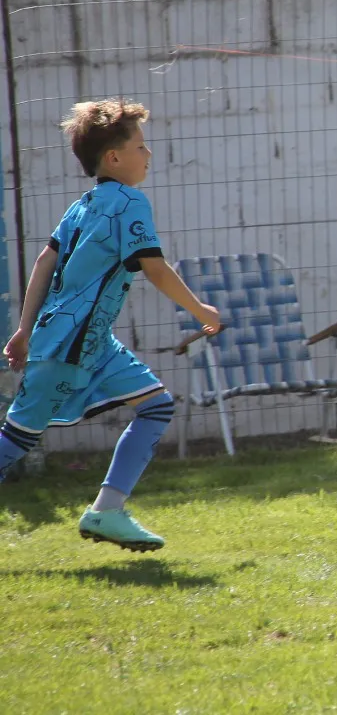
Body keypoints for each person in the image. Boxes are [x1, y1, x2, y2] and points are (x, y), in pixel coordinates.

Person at [0, 100, 221, 550]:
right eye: (141, 146)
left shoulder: (82, 206)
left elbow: (45, 262)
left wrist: (25, 329)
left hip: (88, 342)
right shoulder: (129, 202)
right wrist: (201, 311)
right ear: (114, 157)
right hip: (70, 348)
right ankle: (106, 512)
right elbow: (154, 268)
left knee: (156, 405)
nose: (149, 154)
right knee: (15, 441)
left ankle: (106, 512)